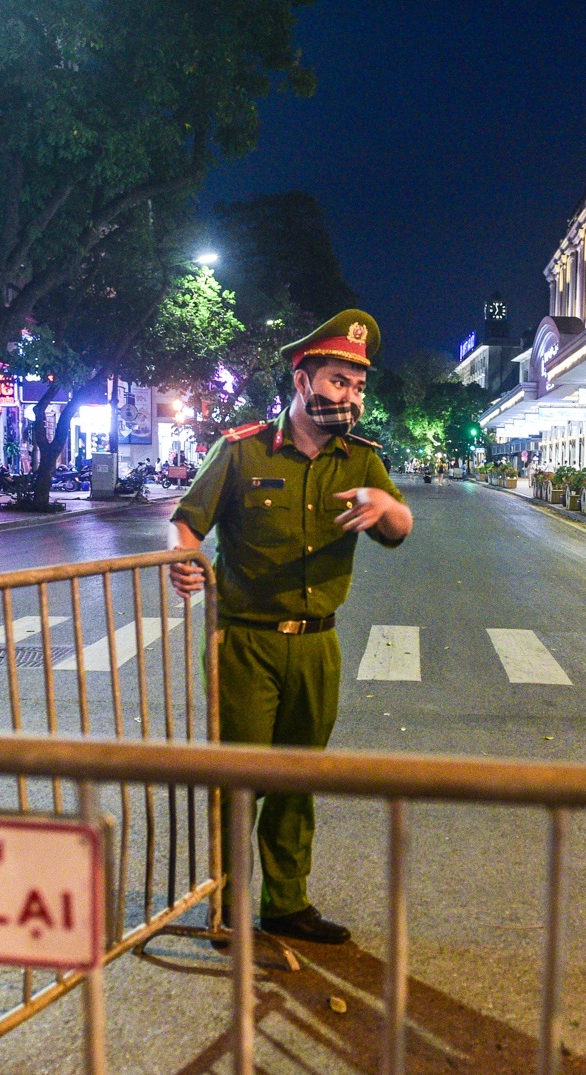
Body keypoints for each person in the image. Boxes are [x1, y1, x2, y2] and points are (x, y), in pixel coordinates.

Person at [168, 310, 412, 946]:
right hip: (243, 641)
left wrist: (387, 507)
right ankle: (223, 905)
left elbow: (400, 529)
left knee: (298, 781)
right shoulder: (242, 449)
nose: (351, 398)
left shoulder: (360, 460)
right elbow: (188, 520)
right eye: (339, 382)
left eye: (358, 388)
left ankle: (286, 904)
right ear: (303, 381)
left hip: (317, 643)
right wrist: (186, 561)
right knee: (240, 780)